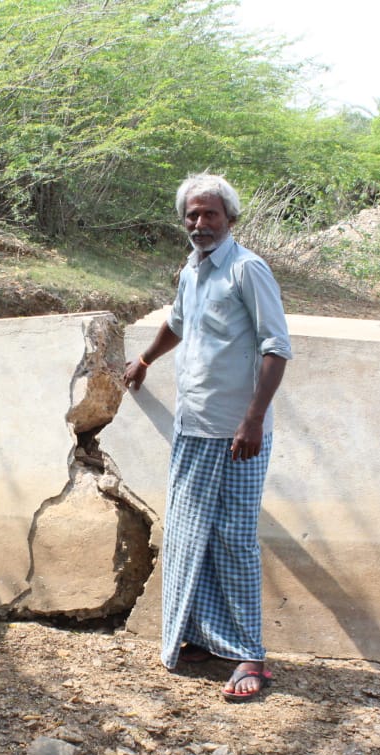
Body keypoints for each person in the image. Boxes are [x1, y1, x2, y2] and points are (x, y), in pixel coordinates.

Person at [123, 173, 292, 703]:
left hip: (237, 433)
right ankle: (197, 636)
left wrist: (252, 420)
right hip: (193, 426)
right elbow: (178, 323)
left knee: (234, 538)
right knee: (191, 532)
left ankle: (249, 656)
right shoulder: (192, 272)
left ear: (230, 218)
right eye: (192, 216)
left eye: (209, 215)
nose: (199, 224)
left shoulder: (247, 270)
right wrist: (147, 357)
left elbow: (276, 348)